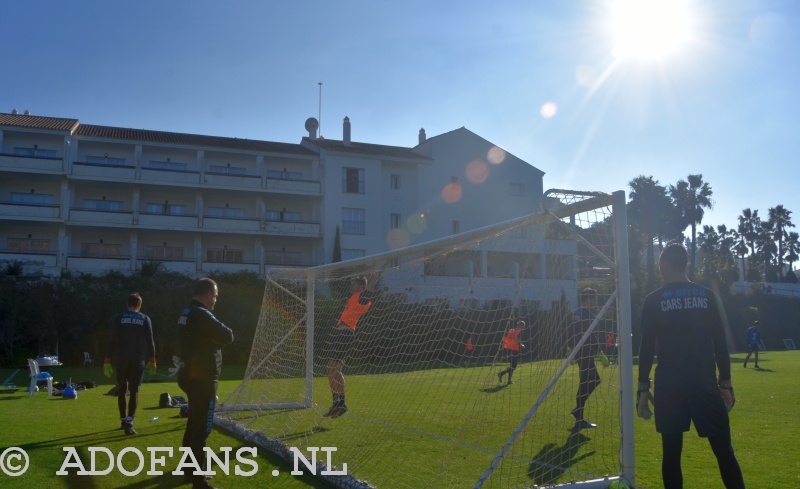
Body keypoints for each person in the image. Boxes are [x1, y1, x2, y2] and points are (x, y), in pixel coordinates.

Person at [637, 243, 745, 489]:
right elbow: (720, 345)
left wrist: (643, 387)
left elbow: (646, 348)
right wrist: (725, 383)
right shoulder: (708, 296)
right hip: (704, 384)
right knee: (724, 452)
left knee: (672, 456)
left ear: (664, 264)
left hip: (670, 385)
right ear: (684, 264)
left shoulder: (653, 300)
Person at [176, 278, 234, 489]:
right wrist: (214, 340)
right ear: (208, 294)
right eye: (215, 296)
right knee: (202, 429)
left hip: (189, 375)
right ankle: (198, 480)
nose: (215, 301)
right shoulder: (202, 314)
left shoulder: (186, 312)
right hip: (203, 378)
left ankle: (189, 472)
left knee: (193, 425)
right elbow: (228, 335)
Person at [323, 264, 385, 418]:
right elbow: (367, 280)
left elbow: (370, 283)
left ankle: (342, 403)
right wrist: (368, 274)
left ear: (360, 286)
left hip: (346, 335)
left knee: (335, 369)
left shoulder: (363, 297)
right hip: (339, 334)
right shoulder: (353, 297)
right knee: (330, 370)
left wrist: (379, 270)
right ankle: (336, 403)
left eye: (353, 284)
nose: (351, 285)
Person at [103, 293, 156, 436]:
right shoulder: (145, 318)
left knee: (122, 388)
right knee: (134, 390)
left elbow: (113, 339)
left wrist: (107, 359)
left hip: (121, 358)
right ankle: (130, 423)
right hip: (138, 359)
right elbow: (150, 340)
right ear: (139, 305)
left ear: (127, 304)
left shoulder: (118, 318)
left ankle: (123, 420)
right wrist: (153, 359)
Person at [570, 287, 601, 430]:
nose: (595, 301)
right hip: (585, 352)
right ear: (588, 299)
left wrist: (573, 350)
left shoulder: (576, 313)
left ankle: (579, 413)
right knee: (590, 381)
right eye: (594, 298)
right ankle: (579, 414)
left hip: (580, 352)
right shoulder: (587, 314)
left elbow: (571, 333)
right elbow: (591, 335)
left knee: (587, 381)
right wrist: (600, 352)